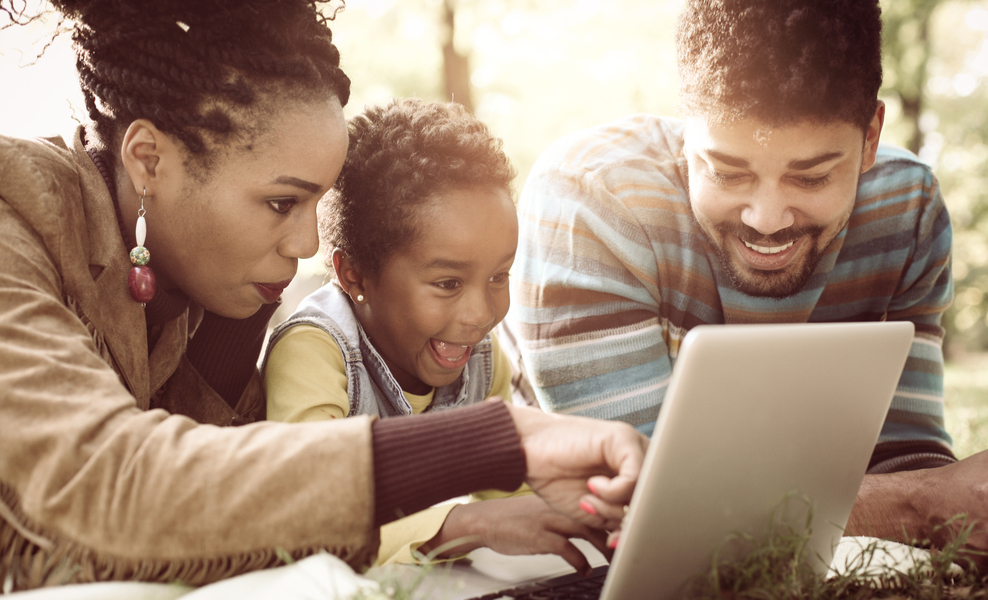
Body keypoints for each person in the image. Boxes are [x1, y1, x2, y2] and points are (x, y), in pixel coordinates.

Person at [0, 0, 647, 591]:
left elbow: (228, 527)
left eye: (315, 201)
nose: (307, 243)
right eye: (281, 202)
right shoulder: (13, 215)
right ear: (147, 159)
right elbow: (108, 488)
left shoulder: (204, 290)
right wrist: (495, 442)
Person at [504, 0, 988, 577]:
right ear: (687, 131)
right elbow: (649, 511)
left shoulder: (905, 211)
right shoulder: (588, 201)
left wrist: (968, 499)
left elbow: (905, 459)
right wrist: (915, 507)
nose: (767, 218)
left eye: (811, 176)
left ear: (870, 139)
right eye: (726, 171)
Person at [263, 97, 607, 573]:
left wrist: (582, 513)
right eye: (448, 284)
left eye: (499, 276)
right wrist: (461, 526)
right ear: (355, 276)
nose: (480, 314)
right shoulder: (313, 352)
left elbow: (508, 497)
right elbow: (310, 514)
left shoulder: (482, 359)